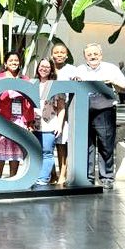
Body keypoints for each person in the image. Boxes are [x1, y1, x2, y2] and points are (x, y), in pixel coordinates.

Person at [74, 43, 125, 190]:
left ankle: (106, 177)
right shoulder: (79, 69)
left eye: (95, 54)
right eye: (89, 54)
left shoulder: (111, 68)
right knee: (87, 145)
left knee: (106, 145)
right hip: (84, 110)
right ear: (85, 56)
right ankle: (88, 177)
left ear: (101, 55)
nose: (93, 57)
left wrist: (113, 82)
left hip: (105, 110)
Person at [0, 51, 34, 178]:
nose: (14, 63)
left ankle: (13, 178)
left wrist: (29, 121)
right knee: (0, 151)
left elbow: (29, 102)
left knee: (15, 151)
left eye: (16, 60)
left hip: (19, 119)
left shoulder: (25, 79)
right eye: (11, 60)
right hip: (2, 119)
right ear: (5, 63)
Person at [33, 58, 64, 185]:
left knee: (47, 152)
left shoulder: (56, 86)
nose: (43, 69)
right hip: (33, 124)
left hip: (49, 125)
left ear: (51, 69)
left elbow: (61, 107)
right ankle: (36, 176)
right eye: (41, 66)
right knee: (35, 153)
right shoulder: (32, 83)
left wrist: (59, 125)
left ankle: (43, 179)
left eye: (47, 67)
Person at [51, 42, 76, 185]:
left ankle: (63, 173)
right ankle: (52, 174)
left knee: (61, 143)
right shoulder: (48, 67)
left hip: (64, 109)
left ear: (66, 55)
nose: (59, 55)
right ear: (52, 55)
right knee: (48, 144)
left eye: (62, 52)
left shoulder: (72, 69)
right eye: (56, 52)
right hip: (48, 110)